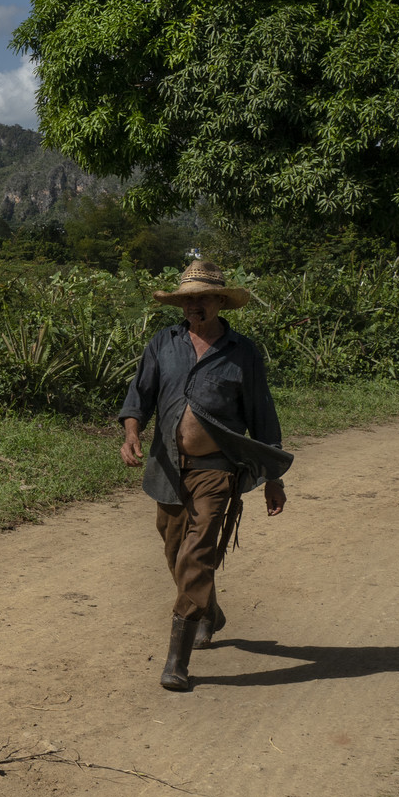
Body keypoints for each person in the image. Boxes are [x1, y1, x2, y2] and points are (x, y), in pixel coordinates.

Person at [118, 259, 293, 691]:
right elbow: (139, 393)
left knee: (196, 556)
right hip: (168, 467)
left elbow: (262, 415)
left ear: (219, 301)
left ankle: (176, 661)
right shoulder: (164, 343)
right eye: (187, 299)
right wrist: (131, 431)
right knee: (175, 550)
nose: (194, 306)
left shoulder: (243, 352)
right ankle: (208, 610)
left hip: (218, 471)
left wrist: (274, 476)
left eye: (203, 298)